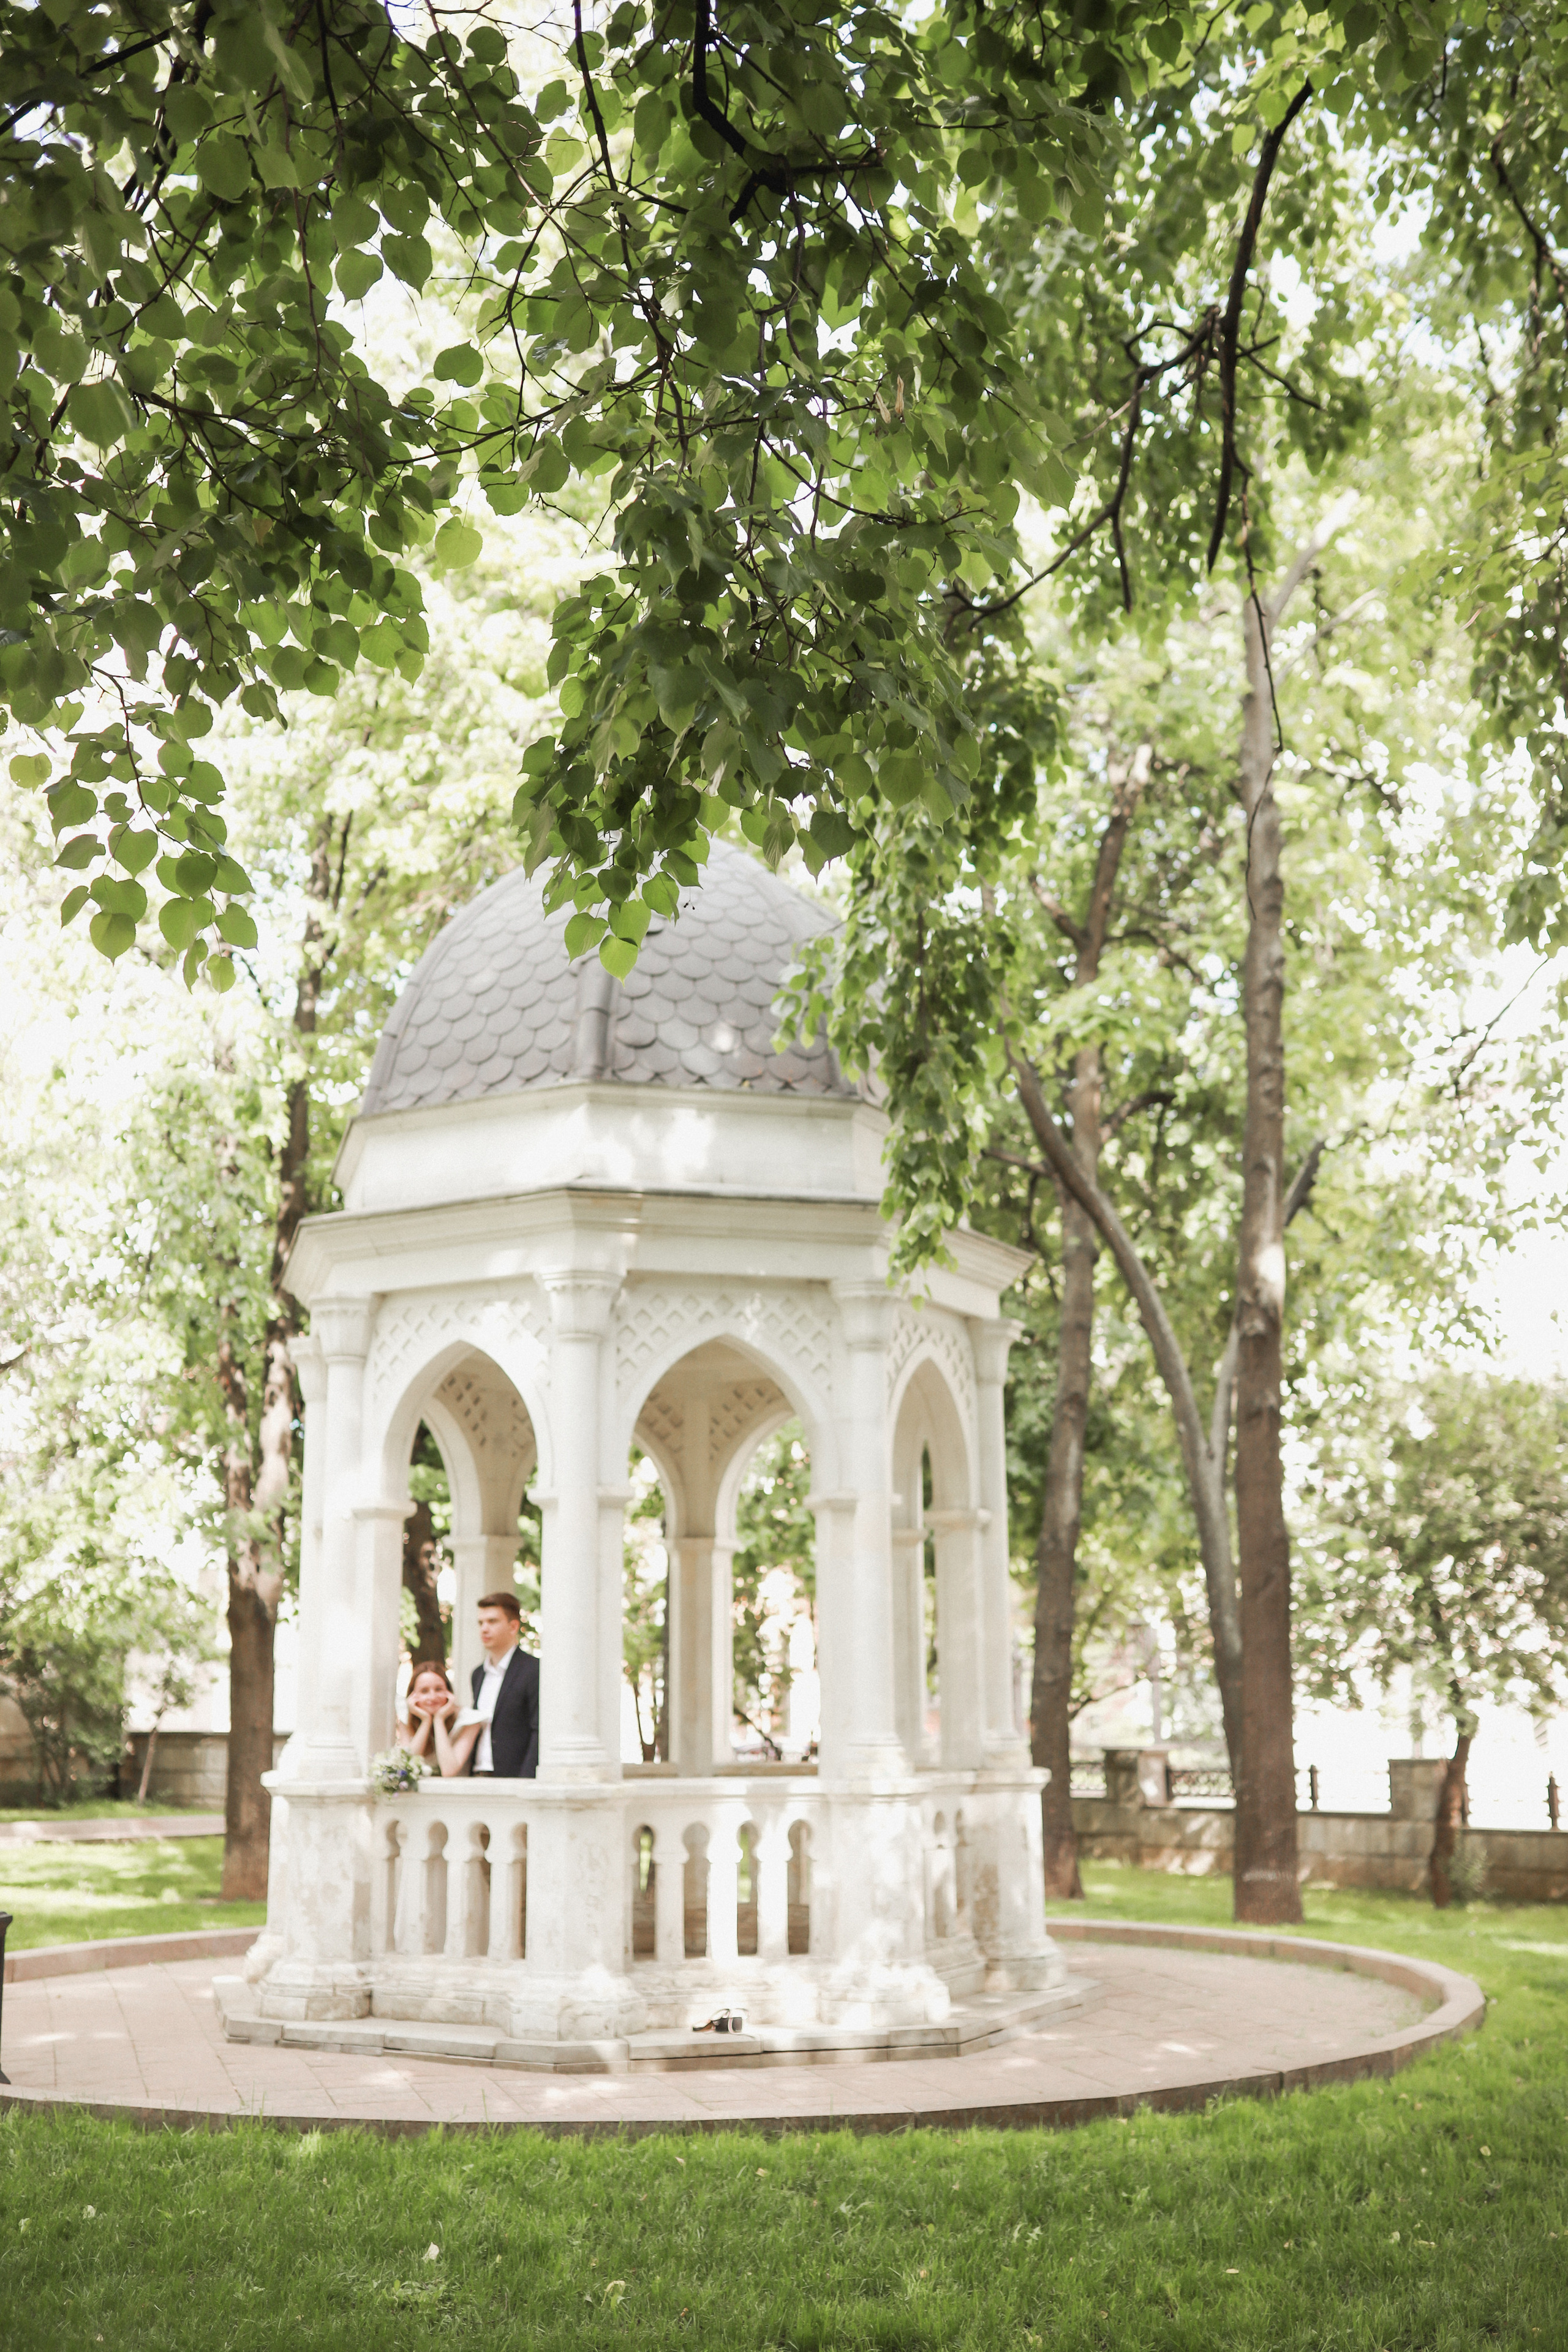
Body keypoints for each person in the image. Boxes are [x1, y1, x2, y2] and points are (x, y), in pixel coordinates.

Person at [467, 1591, 538, 1778]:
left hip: (515, 1780)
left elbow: (537, 1730)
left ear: (513, 1626)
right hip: (478, 1775)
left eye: (492, 1621)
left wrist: (526, 1782)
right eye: (481, 1623)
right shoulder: (478, 1675)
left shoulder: (533, 1670)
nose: (484, 1628)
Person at [399, 1658, 473, 1779]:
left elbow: (449, 1771)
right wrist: (426, 1721)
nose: (432, 1697)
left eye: (439, 1689)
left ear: (449, 1692)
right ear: (413, 1695)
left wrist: (439, 1720)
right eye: (424, 1691)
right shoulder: (406, 1719)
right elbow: (406, 1767)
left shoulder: (468, 1720)